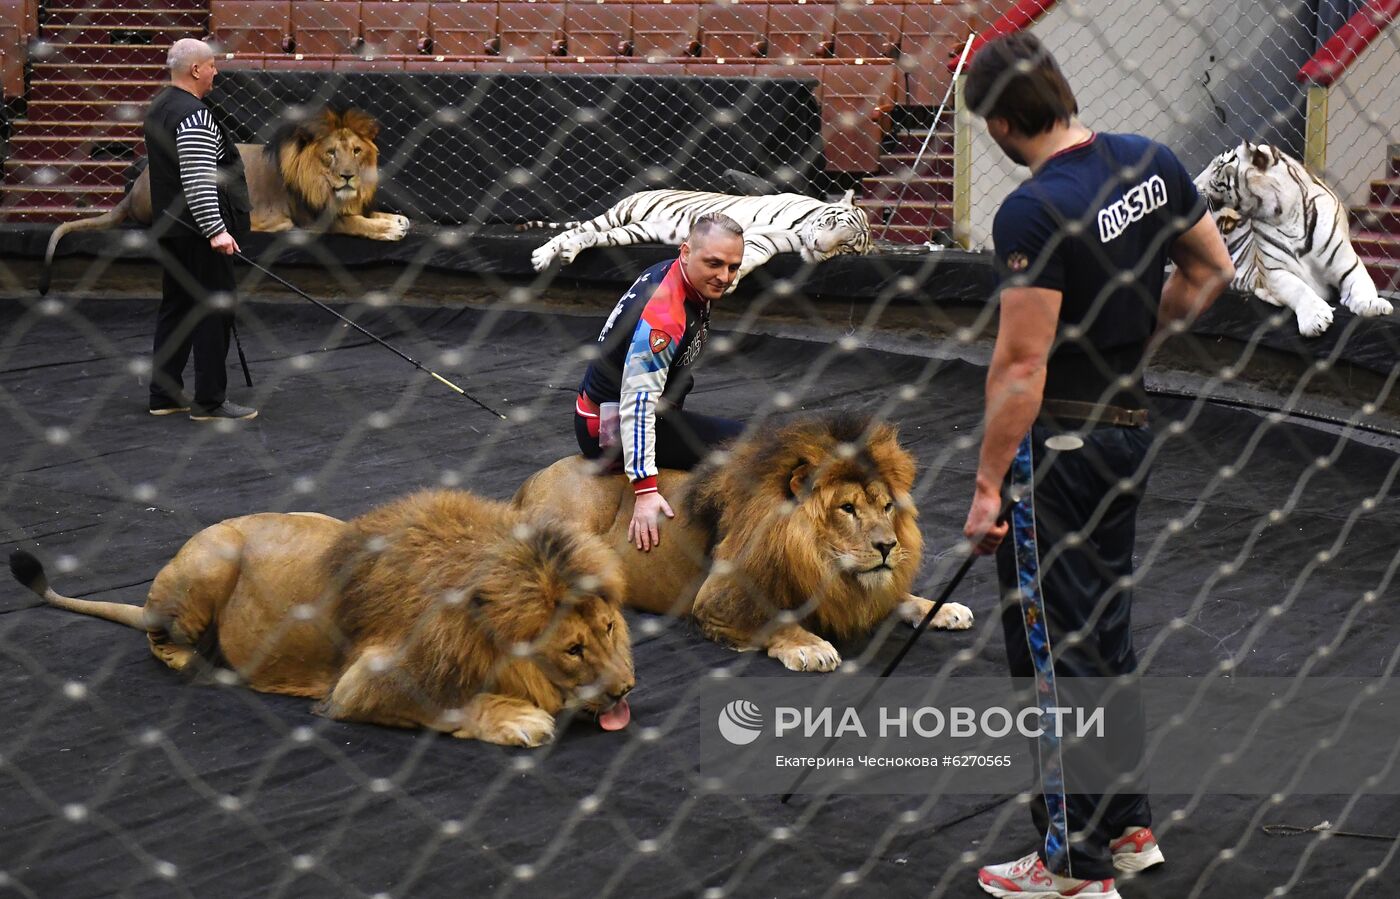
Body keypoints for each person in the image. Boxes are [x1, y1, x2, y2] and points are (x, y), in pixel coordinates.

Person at [958, 33, 1234, 899]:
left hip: (1059, 453)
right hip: (1127, 429)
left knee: (1053, 655)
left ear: (1004, 122)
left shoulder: (1033, 212)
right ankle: (1126, 829)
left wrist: (985, 486)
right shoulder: (1149, 161)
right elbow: (1211, 270)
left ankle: (1069, 865)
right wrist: (1135, 339)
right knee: (1104, 634)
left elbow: (1020, 368)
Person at [575, 213, 747, 551]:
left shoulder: (677, 275)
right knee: (744, 446)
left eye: (733, 266)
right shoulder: (664, 318)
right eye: (714, 263)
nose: (724, 276)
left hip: (636, 409)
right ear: (686, 252)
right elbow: (637, 405)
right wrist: (645, 491)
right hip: (609, 430)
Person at [145, 38, 256, 421]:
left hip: (171, 229)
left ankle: (164, 394)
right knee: (214, 309)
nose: (216, 71)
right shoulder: (194, 114)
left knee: (176, 307)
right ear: (195, 70)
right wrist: (216, 230)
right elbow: (197, 179)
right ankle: (209, 402)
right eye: (212, 65)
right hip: (198, 235)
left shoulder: (160, 107)